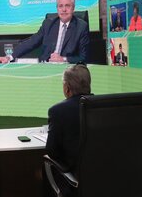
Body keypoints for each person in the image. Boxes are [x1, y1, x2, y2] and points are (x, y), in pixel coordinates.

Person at [0, 0, 90, 64]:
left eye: (67, 6)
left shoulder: (81, 27)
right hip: (46, 68)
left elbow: (84, 57)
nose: (63, 9)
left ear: (73, 7)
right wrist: (8, 57)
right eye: (60, 6)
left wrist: (63, 59)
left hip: (68, 72)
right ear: (57, 8)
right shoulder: (48, 24)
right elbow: (31, 42)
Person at [45, 64, 92, 196]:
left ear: (67, 88)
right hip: (109, 175)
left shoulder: (58, 111)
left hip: (78, 179)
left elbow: (52, 152)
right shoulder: (104, 107)